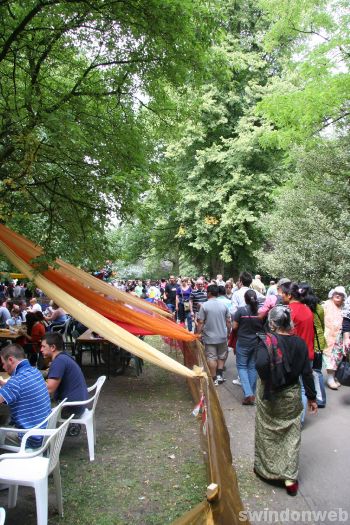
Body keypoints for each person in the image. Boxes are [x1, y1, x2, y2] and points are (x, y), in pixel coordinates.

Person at [254, 306, 317, 496]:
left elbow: (260, 364)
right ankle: (290, 480)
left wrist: (269, 378)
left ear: (271, 323)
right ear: (289, 322)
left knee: (267, 432)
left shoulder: (266, 342)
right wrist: (312, 397)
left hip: (270, 395)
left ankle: (265, 471)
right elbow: (307, 372)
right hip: (291, 395)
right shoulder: (299, 343)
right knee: (291, 435)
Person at [0, 344, 51, 448]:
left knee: (4, 418)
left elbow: (14, 387)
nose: (3, 367)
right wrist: (2, 383)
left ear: (10, 360)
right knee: (5, 417)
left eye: (3, 364)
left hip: (29, 439)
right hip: (43, 432)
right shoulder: (34, 371)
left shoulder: (16, 381)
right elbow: (20, 388)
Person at [40, 333, 88, 420]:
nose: (41, 349)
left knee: (34, 407)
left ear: (53, 347)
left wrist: (30, 385)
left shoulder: (59, 361)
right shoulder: (64, 356)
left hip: (71, 409)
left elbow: (49, 389)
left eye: (43, 346)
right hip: (79, 404)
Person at [232, 289, 264, 405]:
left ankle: (249, 394)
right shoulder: (260, 312)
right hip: (256, 342)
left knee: (241, 366)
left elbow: (234, 327)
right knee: (252, 366)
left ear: (245, 299)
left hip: (243, 342)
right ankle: (250, 394)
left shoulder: (241, 311)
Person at [197, 284, 231, 385]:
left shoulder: (205, 306)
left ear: (210, 293)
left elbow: (200, 322)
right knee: (222, 356)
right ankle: (220, 375)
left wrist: (198, 334)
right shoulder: (223, 305)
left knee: (211, 357)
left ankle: (214, 378)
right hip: (222, 336)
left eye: (207, 292)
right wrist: (228, 332)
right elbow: (228, 321)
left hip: (209, 337)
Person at [323, 286, 347, 389]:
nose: (338, 295)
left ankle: (335, 376)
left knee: (338, 357)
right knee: (329, 358)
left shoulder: (345, 306)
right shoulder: (325, 305)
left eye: (341, 294)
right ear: (332, 295)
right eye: (336, 293)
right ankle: (330, 378)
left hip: (340, 337)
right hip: (328, 335)